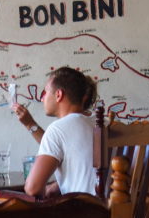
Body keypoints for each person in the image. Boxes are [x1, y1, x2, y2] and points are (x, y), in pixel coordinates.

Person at [12, 66, 97, 198]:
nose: (42, 99)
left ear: (58, 95)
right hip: (115, 207)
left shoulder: (57, 129)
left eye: (45, 93)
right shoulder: (103, 123)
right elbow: (88, 171)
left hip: (82, 209)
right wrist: (58, 185)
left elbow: (32, 189)